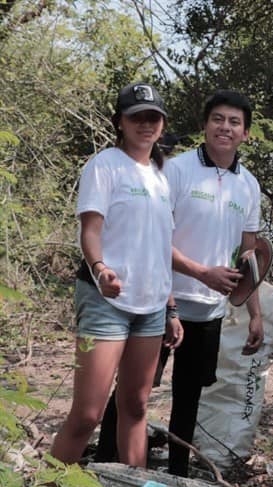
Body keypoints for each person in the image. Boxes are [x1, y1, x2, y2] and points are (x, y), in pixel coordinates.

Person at [51, 83, 181, 466]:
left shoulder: (161, 175)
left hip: (152, 306)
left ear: (162, 123)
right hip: (106, 299)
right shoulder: (103, 165)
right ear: (119, 122)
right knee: (87, 414)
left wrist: (171, 308)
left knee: (137, 406)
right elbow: (90, 230)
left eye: (153, 117)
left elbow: (157, 245)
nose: (146, 124)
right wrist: (101, 269)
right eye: (136, 116)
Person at [163, 90, 264, 477]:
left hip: (210, 311)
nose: (225, 127)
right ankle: (114, 466)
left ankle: (175, 475)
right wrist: (200, 272)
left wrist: (254, 314)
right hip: (164, 302)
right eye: (218, 119)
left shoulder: (249, 186)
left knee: (188, 398)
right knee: (134, 395)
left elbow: (248, 255)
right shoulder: (177, 170)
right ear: (205, 126)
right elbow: (156, 240)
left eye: (234, 122)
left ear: (246, 133)